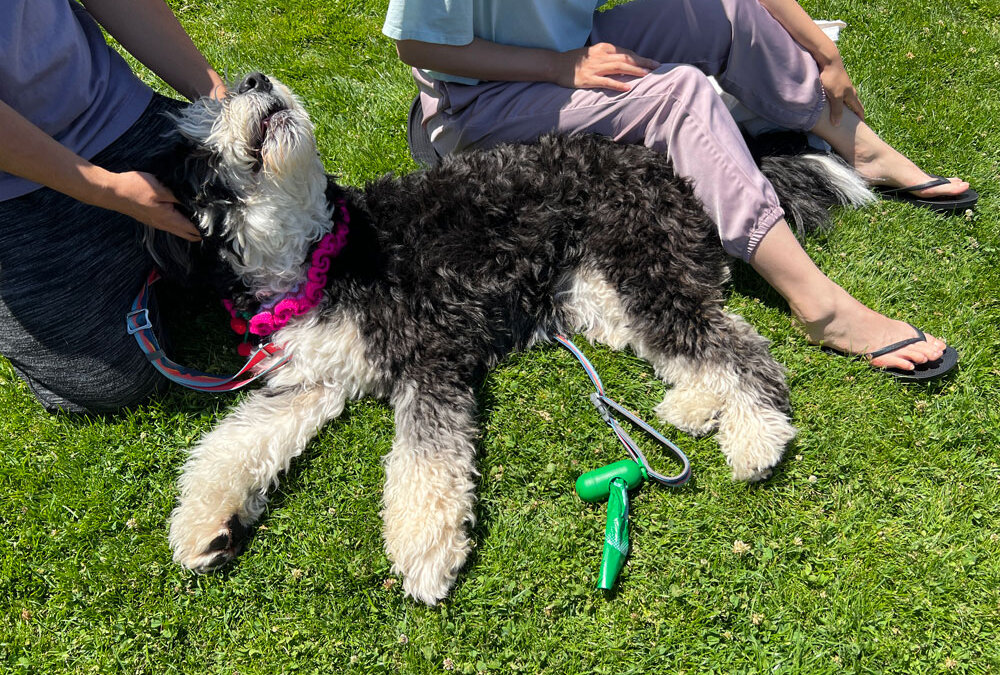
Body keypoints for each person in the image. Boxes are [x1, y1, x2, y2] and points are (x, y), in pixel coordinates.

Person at [383, 0, 974, 379]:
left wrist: (822, 50)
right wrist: (559, 69)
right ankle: (819, 305)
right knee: (679, 93)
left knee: (726, 13)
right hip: (477, 105)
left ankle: (862, 150)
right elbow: (418, 46)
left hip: (572, 46)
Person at [0, 0, 225, 414]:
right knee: (109, 385)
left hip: (112, 111)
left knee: (298, 233)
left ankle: (155, 263)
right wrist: (110, 192)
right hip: (11, 192)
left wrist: (217, 101)